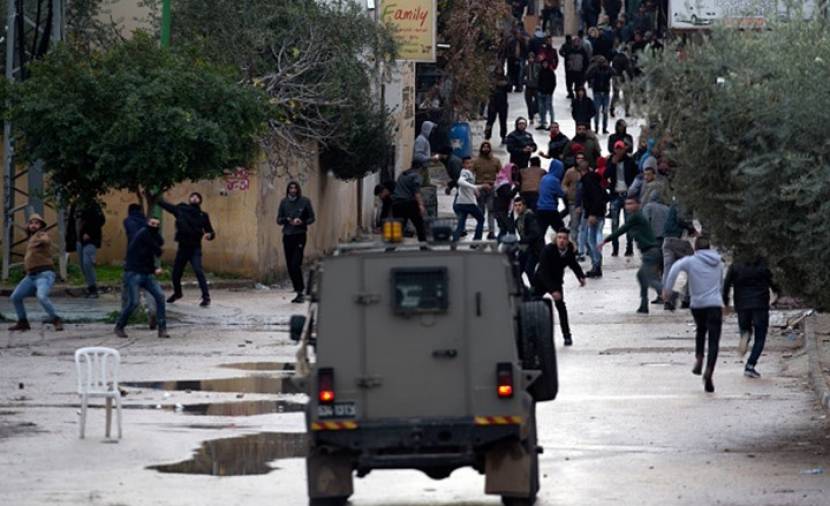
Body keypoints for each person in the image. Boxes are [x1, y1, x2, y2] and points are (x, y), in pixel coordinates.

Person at [663, 236, 724, 393]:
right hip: (715, 304)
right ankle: (709, 370)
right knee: (714, 340)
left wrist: (668, 290)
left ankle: (699, 357)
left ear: (695, 248)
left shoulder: (690, 261)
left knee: (701, 331)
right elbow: (721, 283)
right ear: (709, 247)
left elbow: (674, 269)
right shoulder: (719, 262)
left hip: (698, 305)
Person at [600, 197, 662, 313]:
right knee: (644, 277)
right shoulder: (636, 217)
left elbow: (622, 229)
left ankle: (669, 294)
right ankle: (644, 305)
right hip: (649, 252)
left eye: (631, 204)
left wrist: (606, 240)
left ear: (638, 205)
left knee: (647, 277)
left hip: (651, 252)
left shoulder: (636, 216)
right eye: (626, 204)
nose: (628, 206)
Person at [723, 258, 781, 379]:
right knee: (760, 336)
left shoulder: (736, 265)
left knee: (745, 329)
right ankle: (750, 365)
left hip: (742, 304)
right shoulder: (764, 265)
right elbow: (774, 282)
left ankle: (745, 336)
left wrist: (725, 302)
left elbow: (726, 284)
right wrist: (778, 294)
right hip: (760, 303)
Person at [159, 192, 216, 307]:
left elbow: (210, 231)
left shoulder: (203, 215)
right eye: (193, 196)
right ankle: (178, 293)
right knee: (176, 274)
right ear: (189, 199)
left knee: (198, 271)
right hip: (183, 247)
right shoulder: (181, 210)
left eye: (197, 197)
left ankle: (206, 297)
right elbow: (168, 207)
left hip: (195, 248)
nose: (195, 198)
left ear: (200, 200)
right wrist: (156, 198)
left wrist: (209, 235)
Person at [114, 218, 169, 339]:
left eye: (157, 225)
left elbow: (156, 246)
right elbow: (156, 249)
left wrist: (153, 269)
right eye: (152, 224)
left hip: (146, 274)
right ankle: (119, 326)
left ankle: (162, 328)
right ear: (147, 224)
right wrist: (154, 268)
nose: (154, 226)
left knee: (160, 296)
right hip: (134, 273)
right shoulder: (143, 233)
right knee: (134, 302)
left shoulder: (150, 236)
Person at [9, 214, 63, 332]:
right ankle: (23, 322)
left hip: (44, 274)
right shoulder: (31, 237)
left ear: (41, 226)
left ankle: (56, 319)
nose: (33, 225)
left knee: (42, 297)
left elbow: (46, 239)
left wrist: (40, 238)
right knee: (15, 297)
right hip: (31, 276)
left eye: (36, 223)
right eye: (31, 223)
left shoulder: (41, 235)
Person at [533, 228, 586, 346]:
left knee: (561, 308)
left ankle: (567, 336)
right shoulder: (547, 250)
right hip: (541, 281)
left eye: (564, 238)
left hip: (556, 281)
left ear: (568, 241)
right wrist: (553, 291)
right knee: (532, 306)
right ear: (555, 239)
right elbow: (544, 272)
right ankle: (532, 336)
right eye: (559, 238)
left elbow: (573, 264)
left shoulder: (569, 251)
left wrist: (580, 276)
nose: (562, 241)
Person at [277, 182, 316, 303]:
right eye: (290, 188)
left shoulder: (305, 201)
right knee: (290, 265)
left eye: (295, 188)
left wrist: (302, 221)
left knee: (295, 264)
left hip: (299, 235)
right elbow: (278, 220)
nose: (293, 190)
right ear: (287, 190)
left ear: (298, 189)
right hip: (287, 235)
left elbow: (312, 218)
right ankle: (297, 289)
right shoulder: (284, 202)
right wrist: (287, 220)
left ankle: (301, 290)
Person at [123, 203, 158, 329]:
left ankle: (127, 316)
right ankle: (153, 312)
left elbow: (132, 235)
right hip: (148, 259)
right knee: (150, 288)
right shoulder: (147, 223)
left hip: (132, 260)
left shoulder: (128, 221)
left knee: (129, 289)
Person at [66, 201, 106, 298]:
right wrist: (70, 239)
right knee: (82, 265)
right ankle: (90, 286)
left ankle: (93, 289)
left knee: (87, 263)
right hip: (79, 240)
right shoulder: (75, 205)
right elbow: (71, 223)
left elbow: (101, 220)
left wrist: (89, 232)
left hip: (91, 240)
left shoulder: (93, 204)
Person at [605, 140, 638, 256]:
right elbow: (605, 175)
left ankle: (629, 247)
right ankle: (615, 248)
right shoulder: (610, 160)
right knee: (614, 224)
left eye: (621, 148)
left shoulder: (630, 161)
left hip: (627, 195)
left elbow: (636, 175)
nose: (618, 151)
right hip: (615, 195)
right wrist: (613, 164)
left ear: (624, 149)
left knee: (628, 223)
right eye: (617, 148)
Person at [662, 202, 696, 311]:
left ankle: (667, 300)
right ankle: (687, 298)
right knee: (691, 268)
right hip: (680, 241)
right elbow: (681, 219)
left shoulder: (674, 202)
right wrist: (692, 229)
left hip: (667, 240)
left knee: (668, 270)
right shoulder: (684, 201)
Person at [578, 153, 607, 278]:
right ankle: (596, 265)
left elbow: (596, 197)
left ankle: (596, 265)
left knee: (591, 240)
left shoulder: (589, 180)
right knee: (592, 240)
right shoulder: (593, 179)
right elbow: (603, 196)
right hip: (595, 212)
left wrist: (592, 214)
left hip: (594, 214)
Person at [453, 157, 488, 242]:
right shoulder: (465, 172)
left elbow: (466, 186)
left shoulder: (470, 173)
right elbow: (460, 182)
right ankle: (476, 241)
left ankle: (454, 242)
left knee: (461, 224)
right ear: (463, 165)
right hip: (468, 203)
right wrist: (476, 187)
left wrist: (474, 191)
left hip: (461, 202)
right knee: (481, 219)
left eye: (471, 163)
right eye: (467, 163)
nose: (469, 165)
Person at [391, 164, 428, 243]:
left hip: (397, 203)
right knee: (419, 225)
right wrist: (421, 205)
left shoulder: (403, 174)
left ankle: (390, 247)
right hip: (409, 203)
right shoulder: (416, 176)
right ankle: (423, 245)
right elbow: (416, 192)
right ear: (421, 168)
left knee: (398, 226)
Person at [473, 142, 503, 238]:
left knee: (491, 211)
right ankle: (480, 232)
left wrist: (497, 185)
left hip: (491, 187)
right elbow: (471, 174)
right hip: (480, 187)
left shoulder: (496, 161)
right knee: (481, 211)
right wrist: (474, 188)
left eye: (487, 147)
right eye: (484, 147)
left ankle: (491, 232)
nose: (485, 149)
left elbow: (501, 175)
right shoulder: (476, 161)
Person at [513, 197, 545, 284]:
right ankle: (523, 291)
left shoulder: (529, 216)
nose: (517, 208)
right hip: (526, 248)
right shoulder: (517, 221)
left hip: (535, 248)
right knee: (517, 270)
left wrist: (521, 242)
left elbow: (534, 234)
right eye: (515, 206)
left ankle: (535, 291)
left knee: (528, 270)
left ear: (524, 206)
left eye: (520, 205)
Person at [536, 157, 565, 235]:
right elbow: (561, 194)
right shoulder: (555, 180)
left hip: (540, 208)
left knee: (541, 232)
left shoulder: (544, 178)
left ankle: (539, 246)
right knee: (561, 230)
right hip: (551, 209)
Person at [585, 56, 614, 134]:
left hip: (605, 92)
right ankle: (597, 128)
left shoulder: (608, 69)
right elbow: (587, 74)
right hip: (597, 92)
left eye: (603, 62)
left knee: (605, 111)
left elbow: (613, 72)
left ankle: (604, 128)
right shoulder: (595, 69)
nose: (602, 64)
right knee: (596, 111)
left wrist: (608, 67)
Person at [493, 163, 519, 239]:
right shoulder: (505, 184)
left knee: (503, 230)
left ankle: (498, 247)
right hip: (503, 210)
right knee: (511, 229)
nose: (514, 173)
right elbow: (509, 195)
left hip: (500, 209)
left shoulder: (500, 181)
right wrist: (517, 188)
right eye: (512, 171)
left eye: (515, 170)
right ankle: (513, 247)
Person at [485, 72, 510, 143]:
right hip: (493, 103)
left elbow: (509, 88)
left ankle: (503, 136)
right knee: (490, 121)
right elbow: (488, 89)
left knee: (503, 121)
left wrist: (506, 84)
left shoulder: (505, 78)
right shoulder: (491, 79)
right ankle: (487, 135)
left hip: (503, 103)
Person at [610, 48, 632, 118]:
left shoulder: (615, 58)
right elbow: (627, 69)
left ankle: (612, 108)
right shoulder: (625, 59)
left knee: (615, 94)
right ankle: (627, 111)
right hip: (623, 78)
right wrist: (631, 77)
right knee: (626, 94)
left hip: (615, 77)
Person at [536, 58, 556, 130]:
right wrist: (539, 90)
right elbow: (539, 81)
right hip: (541, 93)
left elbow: (553, 83)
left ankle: (552, 123)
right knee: (541, 109)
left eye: (546, 63)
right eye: (543, 63)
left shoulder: (551, 72)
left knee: (549, 108)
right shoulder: (541, 72)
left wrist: (550, 92)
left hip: (548, 93)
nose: (545, 65)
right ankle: (543, 122)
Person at [524, 52, 540, 126]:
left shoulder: (537, 66)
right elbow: (522, 75)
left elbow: (540, 75)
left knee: (537, 101)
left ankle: (535, 111)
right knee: (528, 103)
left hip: (536, 87)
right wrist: (524, 82)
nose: (530, 59)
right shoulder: (526, 67)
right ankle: (531, 117)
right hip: (528, 87)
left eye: (532, 58)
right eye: (529, 58)